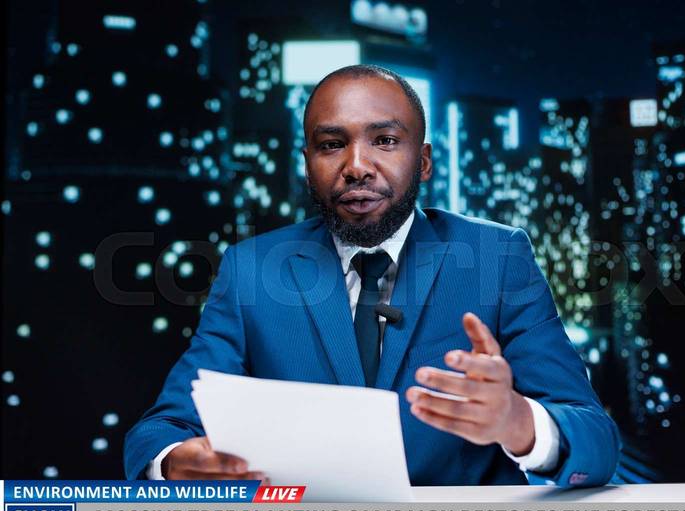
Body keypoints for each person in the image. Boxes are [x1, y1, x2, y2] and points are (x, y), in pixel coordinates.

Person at [124, 65, 619, 487]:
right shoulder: (251, 269)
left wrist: (519, 423)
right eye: (331, 144)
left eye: (384, 140)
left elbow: (596, 440)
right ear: (307, 165)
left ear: (423, 161)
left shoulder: (498, 256)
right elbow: (161, 430)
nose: (357, 166)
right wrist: (175, 463)